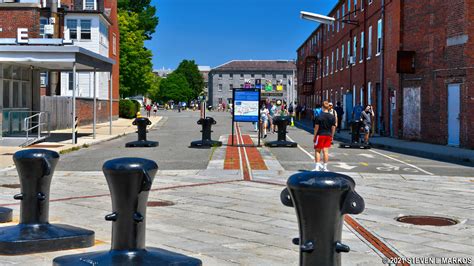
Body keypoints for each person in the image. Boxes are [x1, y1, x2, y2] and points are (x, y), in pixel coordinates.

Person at [313, 101, 336, 172]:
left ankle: (317, 167)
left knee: (317, 151)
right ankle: (325, 167)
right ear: (328, 107)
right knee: (325, 151)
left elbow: (316, 127)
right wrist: (332, 136)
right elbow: (333, 127)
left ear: (322, 107)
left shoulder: (319, 116)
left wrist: (314, 136)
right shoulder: (332, 117)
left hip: (320, 134)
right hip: (328, 135)